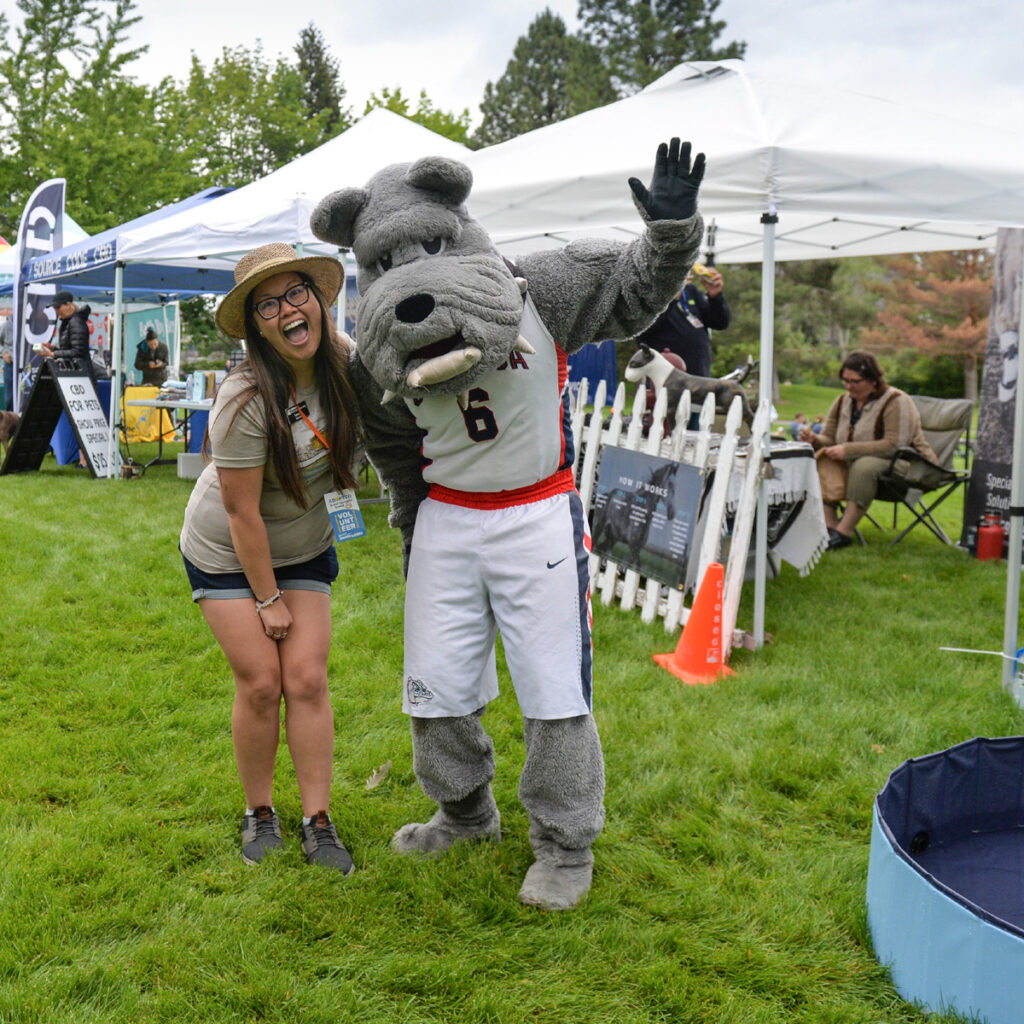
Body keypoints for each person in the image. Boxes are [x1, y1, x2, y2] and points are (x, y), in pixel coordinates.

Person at [178, 243, 362, 872]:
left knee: (306, 678)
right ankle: (259, 811)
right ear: (257, 325)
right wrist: (267, 600)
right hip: (229, 552)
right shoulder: (243, 399)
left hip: (305, 543)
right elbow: (240, 514)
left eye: (295, 294)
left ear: (318, 299)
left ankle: (319, 820)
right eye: (268, 305)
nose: (287, 309)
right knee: (262, 682)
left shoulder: (346, 365)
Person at [800, 351, 936, 550]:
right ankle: (829, 527)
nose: (848, 386)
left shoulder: (896, 401)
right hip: (858, 466)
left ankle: (843, 532)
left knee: (865, 465)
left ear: (873, 380)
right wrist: (815, 440)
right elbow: (829, 439)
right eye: (845, 381)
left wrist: (847, 450)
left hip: (910, 465)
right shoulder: (841, 402)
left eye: (855, 381)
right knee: (820, 458)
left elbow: (894, 445)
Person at [634, 263, 729, 379]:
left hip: (698, 377)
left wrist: (715, 297)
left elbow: (720, 323)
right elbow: (641, 330)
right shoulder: (646, 292)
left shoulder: (689, 290)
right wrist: (671, 298)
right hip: (663, 381)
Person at [41, 291, 93, 467]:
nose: (56, 311)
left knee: (82, 419)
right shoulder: (70, 322)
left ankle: (85, 460)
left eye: (58, 307)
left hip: (81, 375)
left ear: (68, 304)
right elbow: (71, 347)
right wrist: (54, 347)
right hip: (76, 374)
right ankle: (83, 459)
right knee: (78, 419)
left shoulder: (76, 322)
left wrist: (54, 354)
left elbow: (78, 352)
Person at [1, 316, 13, 411]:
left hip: (26, 364)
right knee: (9, 399)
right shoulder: (5, 326)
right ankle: (11, 423)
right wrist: (4, 352)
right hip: (10, 365)